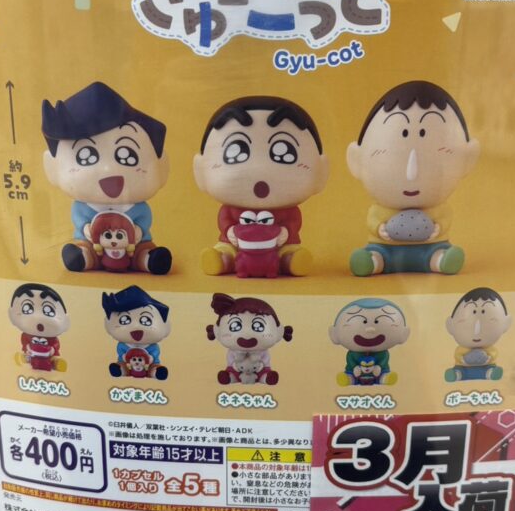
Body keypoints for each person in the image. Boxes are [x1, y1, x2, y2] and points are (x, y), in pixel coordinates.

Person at [346, 81, 479, 276]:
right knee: (377, 254)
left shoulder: (437, 208)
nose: (412, 173)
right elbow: (373, 220)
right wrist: (380, 228)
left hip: (430, 247)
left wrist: (438, 227)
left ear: (467, 160)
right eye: (392, 161)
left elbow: (444, 217)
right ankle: (373, 261)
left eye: (432, 163)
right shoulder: (380, 210)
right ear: (356, 161)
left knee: (437, 254)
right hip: (387, 248)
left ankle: (441, 261)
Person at [42, 81, 171, 274]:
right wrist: (87, 230)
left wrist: (137, 232)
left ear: (162, 168)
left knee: (142, 249)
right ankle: (84, 257)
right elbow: (81, 221)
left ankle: (146, 259)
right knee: (85, 248)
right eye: (86, 157)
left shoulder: (137, 207)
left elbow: (143, 221)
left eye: (127, 156)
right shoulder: (83, 207)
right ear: (52, 169)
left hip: (132, 246)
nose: (109, 169)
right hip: (94, 244)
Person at [193, 95, 329, 277]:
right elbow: (225, 219)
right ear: (200, 171)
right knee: (226, 249)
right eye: (236, 153)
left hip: (280, 244)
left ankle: (289, 260)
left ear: (321, 172)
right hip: (235, 243)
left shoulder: (288, 211)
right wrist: (230, 231)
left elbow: (293, 221)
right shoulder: (231, 209)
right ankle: (223, 259)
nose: (259, 169)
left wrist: (285, 232)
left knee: (289, 251)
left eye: (285, 154)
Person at [329, 297, 409, 386]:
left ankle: (384, 377)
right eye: (363, 322)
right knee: (351, 375)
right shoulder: (352, 354)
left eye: (377, 322)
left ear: (404, 334)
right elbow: (351, 362)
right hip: (356, 373)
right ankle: (349, 378)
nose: (370, 329)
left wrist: (379, 367)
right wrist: (355, 368)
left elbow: (383, 361)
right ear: (334, 334)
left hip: (378, 373)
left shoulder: (383, 354)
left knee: (382, 374)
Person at [102, 285, 171, 379]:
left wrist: (150, 360)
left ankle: (154, 372)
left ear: (166, 327)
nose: (136, 328)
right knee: (121, 364)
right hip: (127, 364)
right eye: (125, 320)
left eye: (146, 321)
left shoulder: (153, 347)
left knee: (155, 366)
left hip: (149, 364)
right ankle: (121, 370)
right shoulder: (122, 346)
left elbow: (154, 357)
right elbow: (122, 356)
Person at [444, 287, 512, 381]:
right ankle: (456, 375)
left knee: (489, 370)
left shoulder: (490, 349)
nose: (477, 332)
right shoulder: (461, 349)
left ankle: (490, 373)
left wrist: (487, 358)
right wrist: (464, 360)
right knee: (459, 371)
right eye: (466, 326)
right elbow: (458, 356)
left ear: (506, 324)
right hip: (464, 368)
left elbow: (493, 355)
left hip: (485, 367)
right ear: (450, 326)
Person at [9, 283, 69, 373]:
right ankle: (24, 359)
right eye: (27, 309)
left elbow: (55, 344)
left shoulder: (52, 338)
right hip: (32, 353)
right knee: (26, 358)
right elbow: (24, 341)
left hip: (48, 354)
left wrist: (52, 350)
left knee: (53, 360)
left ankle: (55, 363)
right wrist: (27, 348)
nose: (38, 319)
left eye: (49, 311)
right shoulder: (26, 335)